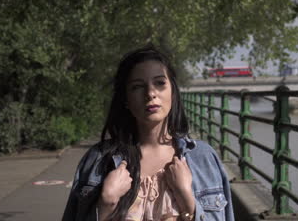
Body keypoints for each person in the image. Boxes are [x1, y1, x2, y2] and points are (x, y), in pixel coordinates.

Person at [62, 46, 234, 221]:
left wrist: (187, 199)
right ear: (126, 99)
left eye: (160, 83)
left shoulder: (202, 158)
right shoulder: (97, 160)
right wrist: (106, 203)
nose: (151, 93)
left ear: (173, 92)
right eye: (137, 87)